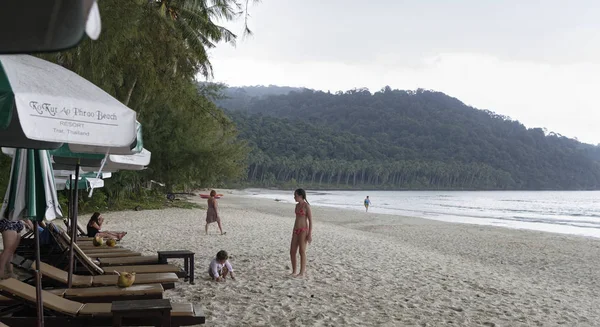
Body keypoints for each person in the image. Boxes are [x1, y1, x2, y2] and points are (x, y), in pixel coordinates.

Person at [290, 188, 312, 277]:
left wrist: (309, 234)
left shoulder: (306, 206)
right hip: (295, 230)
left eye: (295, 195)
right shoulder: (296, 206)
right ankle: (294, 271)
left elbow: (310, 221)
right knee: (292, 251)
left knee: (302, 251)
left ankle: (301, 272)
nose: (294, 197)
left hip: (303, 230)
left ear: (300, 196)